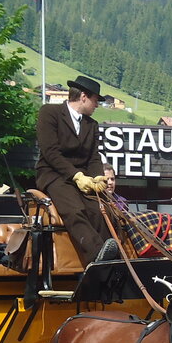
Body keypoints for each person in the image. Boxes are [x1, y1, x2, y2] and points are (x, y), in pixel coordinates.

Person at [34, 75, 118, 261]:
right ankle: (99, 256)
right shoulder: (49, 113)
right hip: (54, 174)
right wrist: (76, 175)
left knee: (99, 210)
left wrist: (98, 178)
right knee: (74, 209)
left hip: (85, 178)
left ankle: (110, 256)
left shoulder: (92, 125)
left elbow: (94, 156)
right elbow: (51, 152)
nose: (97, 105)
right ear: (83, 97)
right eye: (96, 100)